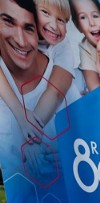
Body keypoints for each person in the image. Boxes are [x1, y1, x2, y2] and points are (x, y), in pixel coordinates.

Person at [0, 0, 79, 178]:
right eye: (46, 13)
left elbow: (55, 92)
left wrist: (32, 137)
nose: (54, 25)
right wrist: (20, 113)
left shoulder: (63, 46)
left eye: (62, 20)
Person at [69, 0, 100, 93]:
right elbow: (92, 83)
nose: (91, 23)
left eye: (95, 16)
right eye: (83, 17)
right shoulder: (86, 47)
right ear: (78, 26)